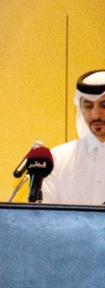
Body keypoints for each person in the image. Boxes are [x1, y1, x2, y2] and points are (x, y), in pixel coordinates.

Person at [43, 69, 105, 205]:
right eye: (88, 106)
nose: (96, 115)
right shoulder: (59, 159)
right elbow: (48, 220)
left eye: (104, 105)